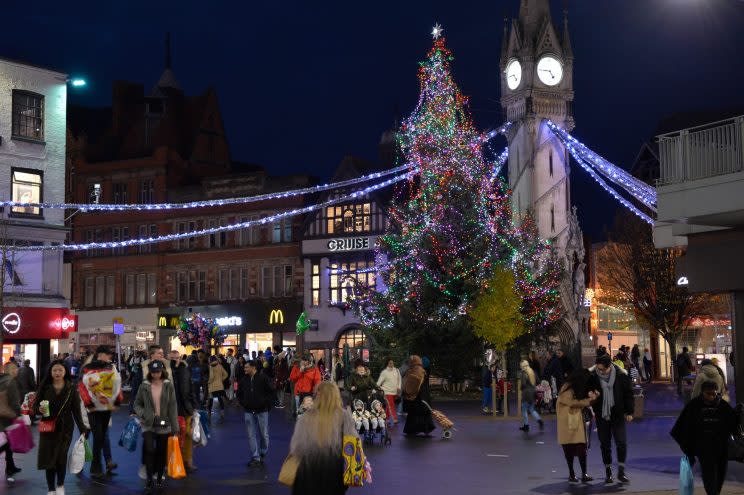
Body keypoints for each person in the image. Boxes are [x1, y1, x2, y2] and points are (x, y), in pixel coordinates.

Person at [289, 381, 357, 495]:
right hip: (334, 472)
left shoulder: (306, 417)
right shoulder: (344, 416)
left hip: (307, 474)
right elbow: (352, 444)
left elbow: (296, 448)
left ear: (317, 396)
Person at [671, 380, 737, 495]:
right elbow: (684, 426)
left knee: (720, 473)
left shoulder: (723, 405)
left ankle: (715, 492)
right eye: (708, 394)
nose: (711, 396)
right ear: (702, 393)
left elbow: (733, 424)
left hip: (720, 446)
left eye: (714, 393)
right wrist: (688, 447)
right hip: (704, 447)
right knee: (709, 473)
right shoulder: (694, 405)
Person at [34, 360, 89, 495]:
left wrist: (82, 427)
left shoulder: (71, 388)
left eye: (60, 370)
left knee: (61, 457)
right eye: (55, 370)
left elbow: (76, 410)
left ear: (65, 372)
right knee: (49, 458)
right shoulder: (44, 386)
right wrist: (38, 409)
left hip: (65, 429)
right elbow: (34, 406)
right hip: (48, 427)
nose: (57, 373)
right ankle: (51, 489)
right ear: (51, 372)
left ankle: (60, 485)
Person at [587, 354, 634, 484]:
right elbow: (587, 389)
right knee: (605, 444)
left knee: (621, 442)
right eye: (598, 369)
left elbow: (628, 394)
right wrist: (590, 394)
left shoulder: (621, 375)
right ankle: (608, 472)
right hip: (602, 415)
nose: (600, 371)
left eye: (602, 369)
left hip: (617, 414)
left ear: (609, 367)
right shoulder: (593, 376)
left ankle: (621, 471)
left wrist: (629, 411)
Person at [78, 345, 123, 480]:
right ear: (100, 354)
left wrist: (117, 402)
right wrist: (89, 403)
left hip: (105, 407)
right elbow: (82, 387)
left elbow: (117, 384)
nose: (109, 357)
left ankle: (98, 465)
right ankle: (90, 465)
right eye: (107, 354)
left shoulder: (111, 367)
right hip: (92, 409)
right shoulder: (87, 368)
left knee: (101, 437)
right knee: (96, 437)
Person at [134, 360, 179, 494]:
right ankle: (148, 478)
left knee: (161, 451)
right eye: (153, 372)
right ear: (150, 372)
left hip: (164, 424)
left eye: (158, 372)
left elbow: (173, 406)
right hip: (148, 424)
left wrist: (175, 427)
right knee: (149, 450)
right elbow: (137, 403)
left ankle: (159, 477)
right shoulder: (144, 386)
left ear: (162, 371)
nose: (155, 375)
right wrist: (144, 414)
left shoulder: (168, 385)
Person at [557, 369, 598, 483]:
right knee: (570, 449)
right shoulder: (567, 388)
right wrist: (588, 401)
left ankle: (583, 473)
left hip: (575, 422)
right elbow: (572, 402)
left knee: (581, 448)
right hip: (567, 423)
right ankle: (572, 473)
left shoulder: (574, 387)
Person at [237, 360, 275, 467]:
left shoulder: (263, 378)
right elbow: (239, 393)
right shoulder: (243, 380)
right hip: (248, 411)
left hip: (262, 411)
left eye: (247, 367)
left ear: (254, 368)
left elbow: (271, 391)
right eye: (244, 367)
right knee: (251, 435)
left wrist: (267, 405)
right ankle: (255, 457)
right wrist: (243, 403)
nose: (245, 369)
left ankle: (262, 452)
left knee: (264, 434)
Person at [169, 350, 197, 472]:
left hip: (186, 408)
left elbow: (191, 388)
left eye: (177, 357)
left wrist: (194, 405)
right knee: (174, 436)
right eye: (173, 358)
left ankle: (188, 461)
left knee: (188, 435)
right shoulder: (167, 371)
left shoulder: (185, 370)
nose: (176, 360)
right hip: (172, 409)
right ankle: (175, 462)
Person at [402, 355, 435, 437]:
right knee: (424, 413)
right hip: (424, 395)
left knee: (414, 413)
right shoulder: (423, 370)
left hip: (417, 396)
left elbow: (412, 384)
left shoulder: (415, 370)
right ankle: (426, 429)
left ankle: (413, 430)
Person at [0, 363, 21, 483]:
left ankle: (10, 466)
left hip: (1, 414)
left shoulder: (1, 380)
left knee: (9, 440)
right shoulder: (11, 382)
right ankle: (10, 467)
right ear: (11, 370)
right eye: (15, 368)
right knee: (9, 442)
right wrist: (19, 414)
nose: (17, 371)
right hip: (7, 415)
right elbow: (14, 402)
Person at [519, 360, 544, 432]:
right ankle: (540, 420)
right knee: (532, 409)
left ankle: (526, 426)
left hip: (526, 394)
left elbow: (523, 384)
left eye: (521, 366)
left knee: (524, 410)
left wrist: (521, 388)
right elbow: (538, 381)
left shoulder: (524, 373)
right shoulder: (532, 372)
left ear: (523, 366)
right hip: (533, 393)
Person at [377, 358, 402, 424]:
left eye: (392, 363)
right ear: (387, 364)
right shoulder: (384, 372)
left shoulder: (397, 370)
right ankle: (395, 419)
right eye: (390, 363)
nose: (392, 364)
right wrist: (374, 390)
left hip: (395, 391)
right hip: (387, 392)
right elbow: (379, 382)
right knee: (391, 405)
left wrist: (399, 387)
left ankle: (386, 419)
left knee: (389, 406)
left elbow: (399, 379)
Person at [207, 355, 228, 424]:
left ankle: (209, 414)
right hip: (220, 386)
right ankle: (222, 413)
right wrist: (220, 380)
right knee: (220, 399)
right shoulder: (220, 366)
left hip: (212, 386)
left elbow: (211, 376)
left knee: (210, 400)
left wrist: (208, 382)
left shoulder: (210, 366)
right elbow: (226, 374)